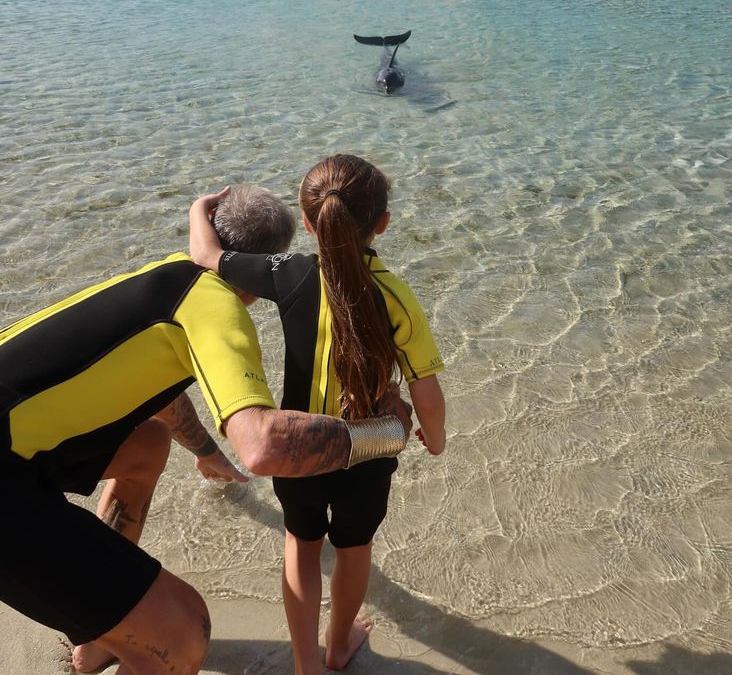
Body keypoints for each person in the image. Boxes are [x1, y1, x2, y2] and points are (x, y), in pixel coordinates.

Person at [0, 184, 412, 675]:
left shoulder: (163, 276)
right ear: (262, 273)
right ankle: (134, 629)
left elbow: (156, 391)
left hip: (18, 441)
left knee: (147, 444)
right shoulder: (218, 308)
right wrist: (387, 433)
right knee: (182, 632)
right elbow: (262, 447)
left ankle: (97, 635)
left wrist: (205, 450)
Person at [189, 154, 446, 675]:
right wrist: (434, 438)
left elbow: (205, 253)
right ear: (383, 224)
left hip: (299, 446)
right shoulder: (396, 295)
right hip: (366, 453)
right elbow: (426, 387)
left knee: (302, 544)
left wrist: (201, 206)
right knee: (353, 548)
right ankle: (338, 645)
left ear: (307, 223)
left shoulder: (290, 274)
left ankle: (306, 663)